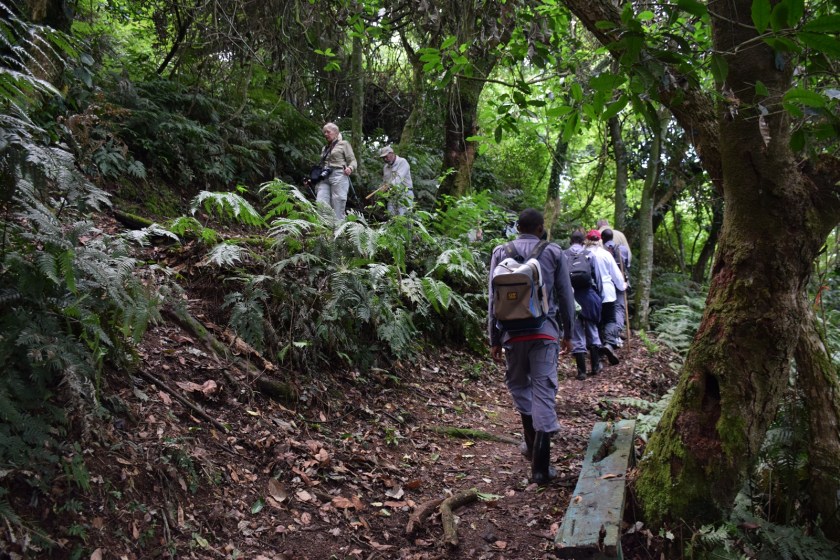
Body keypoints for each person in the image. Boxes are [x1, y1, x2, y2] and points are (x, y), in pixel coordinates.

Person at [488, 209, 575, 485]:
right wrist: (569, 333)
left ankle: (530, 442)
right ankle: (540, 468)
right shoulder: (553, 252)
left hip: (512, 335)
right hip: (544, 333)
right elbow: (566, 294)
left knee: (519, 386)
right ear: (540, 228)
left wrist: (494, 338)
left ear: (517, 228)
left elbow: (492, 298)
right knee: (544, 391)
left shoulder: (500, 252)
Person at [565, 230, 603, 380]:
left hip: (571, 297)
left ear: (570, 241)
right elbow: (597, 277)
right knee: (592, 330)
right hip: (588, 295)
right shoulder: (589, 254)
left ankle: (581, 371)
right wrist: (599, 296)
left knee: (577, 333)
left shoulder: (564, 255)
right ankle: (596, 366)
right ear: (583, 242)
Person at [584, 230, 626, 366]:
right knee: (610, 320)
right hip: (607, 293)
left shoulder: (583, 254)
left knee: (597, 322)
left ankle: (598, 352)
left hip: (590, 294)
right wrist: (622, 286)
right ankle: (609, 343)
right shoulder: (605, 254)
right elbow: (616, 275)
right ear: (600, 240)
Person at [314, 123, 357, 220]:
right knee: (321, 203)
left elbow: (353, 161)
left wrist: (350, 168)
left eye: (328, 132)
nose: (326, 134)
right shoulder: (325, 148)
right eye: (324, 132)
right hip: (325, 176)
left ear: (336, 133)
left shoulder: (344, 144)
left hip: (339, 175)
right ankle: (324, 227)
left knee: (338, 204)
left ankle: (338, 227)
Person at [601, 228, 630, 344]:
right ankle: (616, 332)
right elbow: (627, 265)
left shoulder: (601, 250)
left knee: (607, 309)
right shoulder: (622, 249)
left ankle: (608, 334)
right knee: (619, 307)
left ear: (602, 238)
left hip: (606, 282)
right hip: (620, 280)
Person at [378, 146, 414, 216]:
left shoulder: (402, 162)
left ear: (392, 153)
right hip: (392, 195)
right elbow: (385, 181)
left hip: (405, 194)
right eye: (383, 158)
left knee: (404, 217)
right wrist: (381, 188)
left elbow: (399, 178)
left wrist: (387, 186)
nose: (385, 159)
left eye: (386, 157)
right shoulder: (385, 167)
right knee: (391, 216)